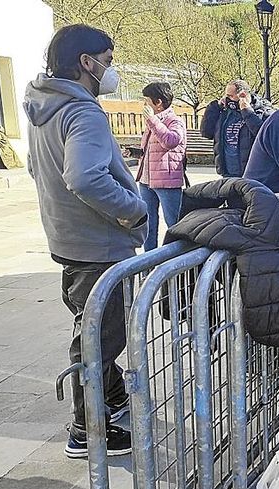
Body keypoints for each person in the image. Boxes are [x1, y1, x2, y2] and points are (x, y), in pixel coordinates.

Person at [24, 24, 147, 459]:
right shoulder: (83, 111)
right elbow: (83, 176)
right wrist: (132, 209)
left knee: (92, 330)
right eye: (109, 62)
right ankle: (88, 431)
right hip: (98, 246)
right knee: (98, 341)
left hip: (68, 240)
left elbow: (36, 170)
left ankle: (110, 401)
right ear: (86, 62)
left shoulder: (44, 107)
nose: (110, 72)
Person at [135, 82, 186, 251]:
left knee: (174, 224)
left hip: (167, 181)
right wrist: (135, 152)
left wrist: (152, 120)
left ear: (158, 103)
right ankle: (149, 266)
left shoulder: (174, 121)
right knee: (148, 225)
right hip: (146, 181)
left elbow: (171, 141)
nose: (144, 105)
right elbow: (153, 149)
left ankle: (178, 264)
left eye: (147, 101)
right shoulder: (153, 123)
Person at [199, 79, 272, 178]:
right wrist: (214, 108)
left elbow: (264, 136)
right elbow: (206, 132)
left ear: (243, 94)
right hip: (228, 172)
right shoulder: (225, 112)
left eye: (230, 96)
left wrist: (247, 112)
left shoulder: (262, 111)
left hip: (253, 173)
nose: (226, 98)